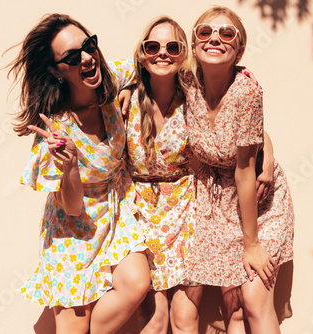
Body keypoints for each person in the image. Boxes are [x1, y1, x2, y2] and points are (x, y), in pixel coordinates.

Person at [7, 14, 151, 334]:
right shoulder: (56, 129)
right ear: (58, 71)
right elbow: (72, 207)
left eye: (89, 45)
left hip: (117, 212)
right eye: (73, 57)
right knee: (75, 326)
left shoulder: (110, 79)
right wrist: (70, 165)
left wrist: (129, 89)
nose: (87, 58)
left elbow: (152, 65)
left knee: (138, 282)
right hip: (72, 230)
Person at [182, 6, 295, 334]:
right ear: (193, 44)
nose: (214, 38)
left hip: (259, 201)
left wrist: (252, 244)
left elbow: (245, 171)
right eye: (205, 32)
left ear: (240, 49)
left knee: (254, 297)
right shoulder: (186, 83)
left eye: (226, 33)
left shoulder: (247, 91)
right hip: (218, 203)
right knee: (233, 304)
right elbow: (138, 68)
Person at [124, 16, 200, 333]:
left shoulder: (197, 97)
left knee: (184, 317)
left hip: (189, 212)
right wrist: (127, 83)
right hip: (140, 214)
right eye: (152, 46)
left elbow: (241, 122)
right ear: (142, 53)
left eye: (172, 46)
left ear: (183, 54)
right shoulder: (123, 100)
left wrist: (269, 152)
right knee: (153, 319)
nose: (162, 53)